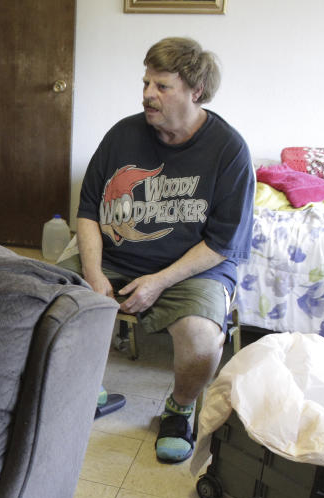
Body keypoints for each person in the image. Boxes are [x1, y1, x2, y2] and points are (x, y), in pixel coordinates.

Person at [57, 37, 254, 463]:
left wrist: (159, 282)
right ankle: (88, 390)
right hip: (112, 255)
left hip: (193, 268)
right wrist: (94, 275)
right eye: (147, 82)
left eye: (162, 86)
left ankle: (179, 409)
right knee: (51, 299)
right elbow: (88, 210)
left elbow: (223, 243)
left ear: (195, 91)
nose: (148, 93)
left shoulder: (229, 150)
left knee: (202, 339)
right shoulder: (122, 135)